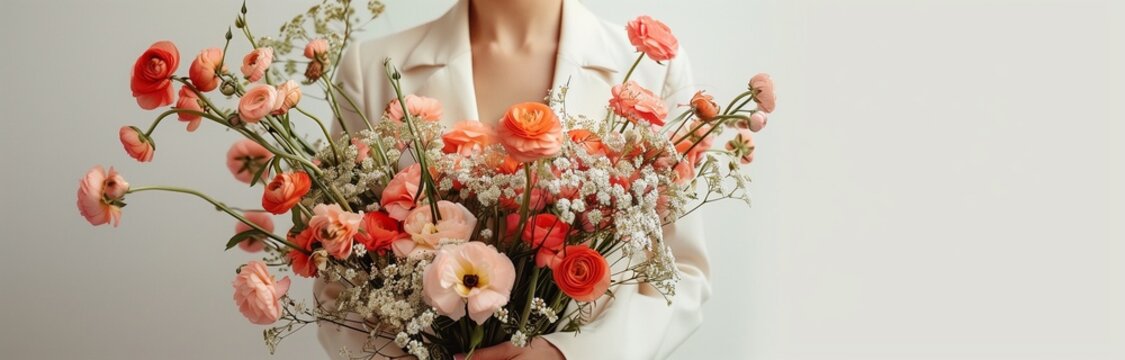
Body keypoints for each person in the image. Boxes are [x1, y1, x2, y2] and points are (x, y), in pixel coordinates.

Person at [318, 0, 711, 358]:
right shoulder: (371, 68)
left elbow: (684, 275)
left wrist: (570, 354)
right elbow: (336, 279)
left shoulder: (653, 70)